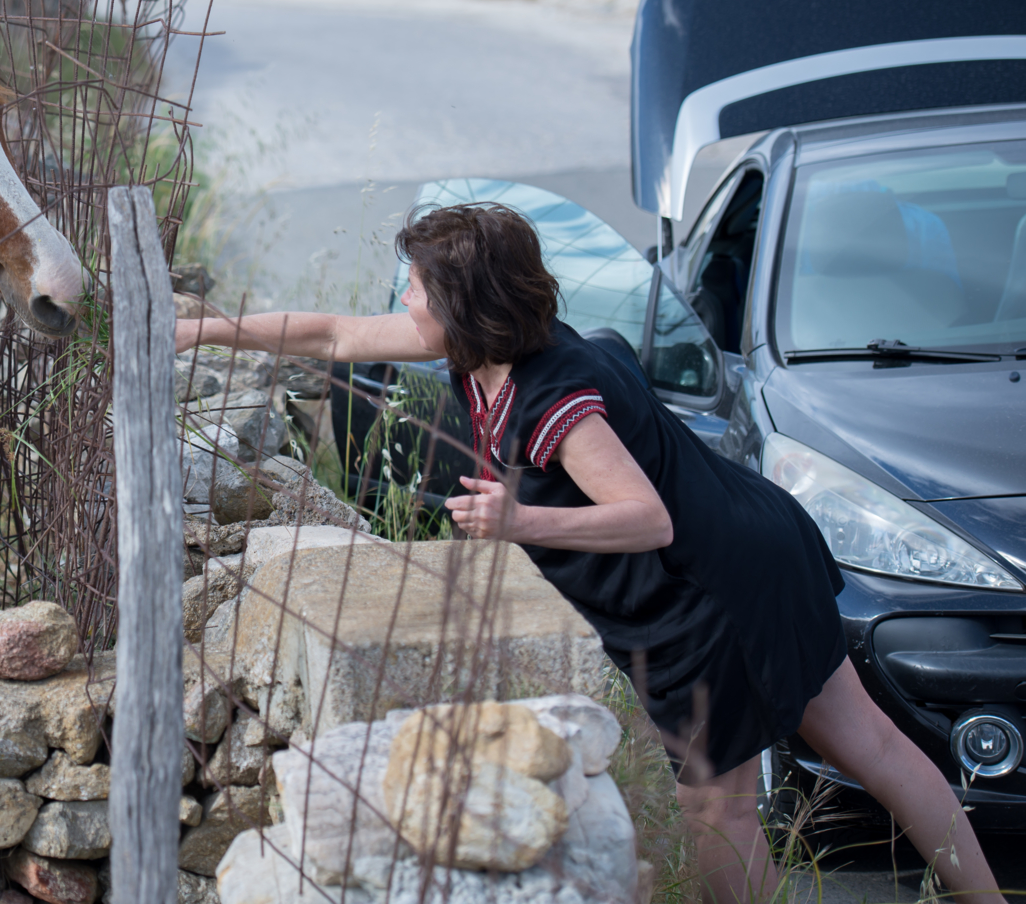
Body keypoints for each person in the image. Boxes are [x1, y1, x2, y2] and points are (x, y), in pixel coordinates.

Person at [173, 203, 1003, 904]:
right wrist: (202, 329)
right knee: (874, 745)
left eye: (416, 288)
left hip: (711, 591)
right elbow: (335, 332)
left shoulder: (555, 399)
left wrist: (519, 524)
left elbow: (645, 518)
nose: (403, 299)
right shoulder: (490, 350)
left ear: (463, 304)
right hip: (757, 545)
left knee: (718, 806)